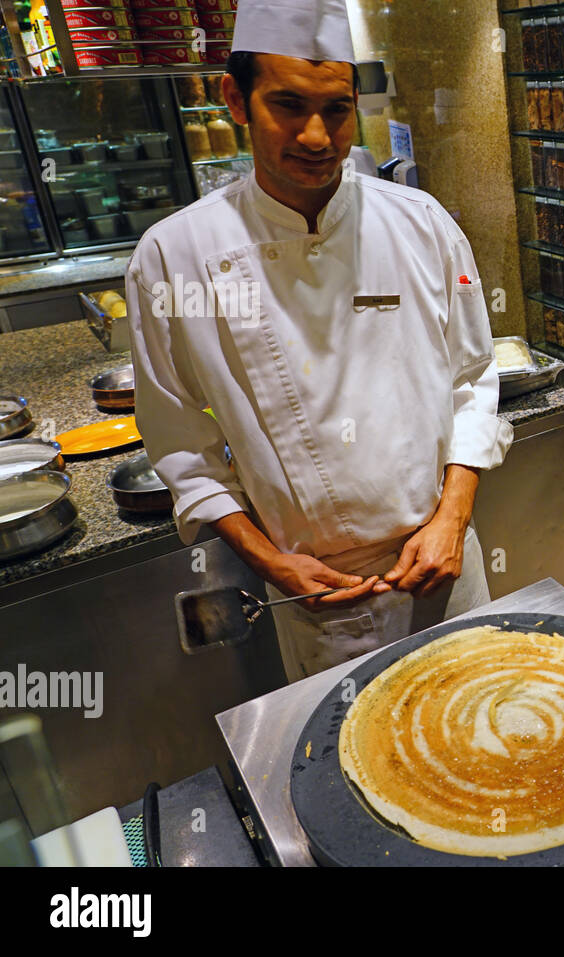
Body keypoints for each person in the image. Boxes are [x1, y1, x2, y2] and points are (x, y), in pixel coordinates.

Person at [126, 0, 512, 679]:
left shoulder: (421, 223)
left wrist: (452, 516)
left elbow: (473, 379)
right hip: (322, 598)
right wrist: (271, 562)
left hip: (447, 566)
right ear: (234, 100)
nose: (315, 136)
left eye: (336, 110)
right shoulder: (173, 257)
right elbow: (182, 445)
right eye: (287, 105)